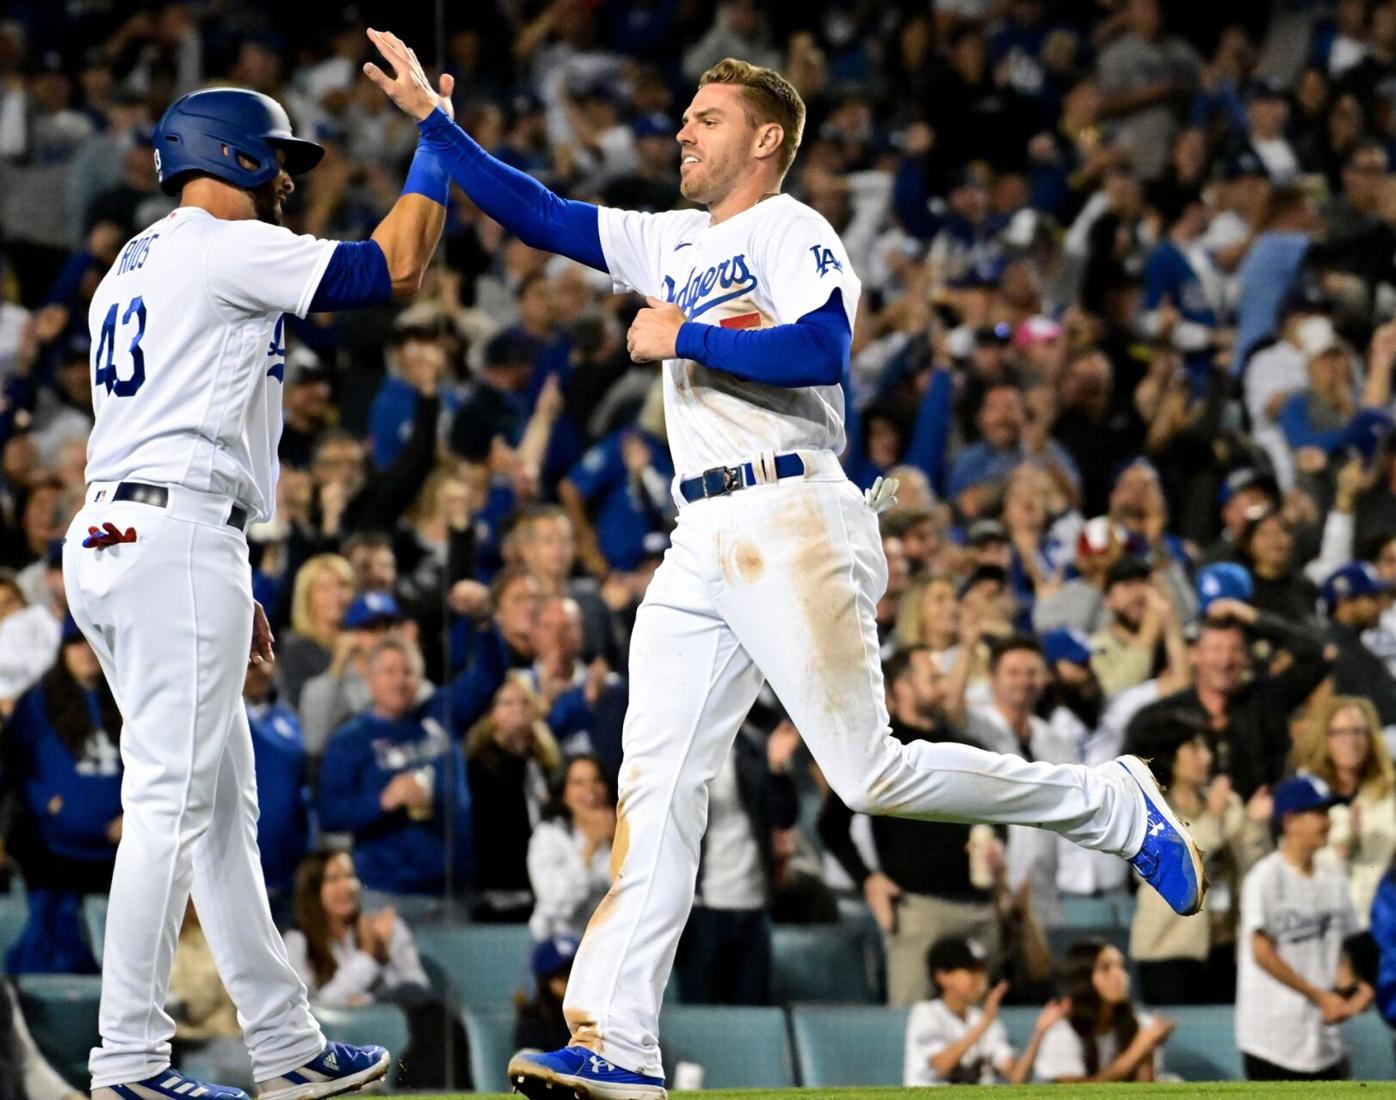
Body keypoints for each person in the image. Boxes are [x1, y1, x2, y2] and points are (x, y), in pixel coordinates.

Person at [367, 31, 1205, 1097]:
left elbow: (821, 348)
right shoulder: (670, 237)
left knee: (868, 772)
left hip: (792, 508)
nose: (681, 128)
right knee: (654, 781)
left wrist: (686, 338)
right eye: (685, 116)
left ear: (765, 139)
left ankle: (1111, 804)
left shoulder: (786, 223)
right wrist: (438, 131)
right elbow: (542, 213)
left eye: (705, 118)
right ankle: (616, 1040)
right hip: (698, 538)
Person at [66, 39, 454, 1093]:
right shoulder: (221, 247)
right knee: (170, 803)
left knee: (219, 807)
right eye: (276, 157)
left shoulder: (134, 264)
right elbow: (398, 266)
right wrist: (436, 138)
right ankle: (130, 1060)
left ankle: (286, 1049)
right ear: (230, 155)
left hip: (137, 531)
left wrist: (226, 579)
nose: (286, 178)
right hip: (173, 531)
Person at [282, 850, 470, 1089]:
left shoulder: (384, 927)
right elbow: (316, 1008)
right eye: (333, 879)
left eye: (350, 876)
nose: (346, 887)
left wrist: (382, 957)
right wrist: (369, 957)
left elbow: (415, 987)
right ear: (313, 890)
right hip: (336, 1042)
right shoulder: (298, 942)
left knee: (437, 1018)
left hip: (400, 1028)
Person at [2, 613, 122, 975]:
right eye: (76, 641)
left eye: (92, 641)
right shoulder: (38, 702)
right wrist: (47, 804)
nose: (85, 650)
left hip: (118, 856)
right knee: (55, 960)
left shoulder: (125, 698)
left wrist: (135, 814)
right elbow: (17, 765)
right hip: (54, 863)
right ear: (62, 649)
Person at [1126, 708, 1272, 1004]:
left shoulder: (1227, 804)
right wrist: (1214, 819)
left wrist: (1255, 825)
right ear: (1169, 755)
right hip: (1168, 948)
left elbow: (1254, 863)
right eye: (1194, 748)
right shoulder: (1147, 809)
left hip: (1225, 945)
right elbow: (1174, 861)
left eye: (1207, 747)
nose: (1206, 757)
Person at [318, 637, 475, 911]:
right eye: (390, 672)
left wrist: (482, 622)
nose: (399, 681)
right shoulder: (349, 739)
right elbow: (330, 814)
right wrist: (383, 801)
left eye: (408, 672)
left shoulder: (440, 718)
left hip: (452, 891)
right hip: (385, 893)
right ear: (370, 678)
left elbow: (487, 677)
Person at [1236, 775, 1374, 1081]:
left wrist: (1352, 989)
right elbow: (1262, 953)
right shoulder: (1265, 877)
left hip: (1324, 1040)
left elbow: (1339, 948)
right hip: (1272, 1040)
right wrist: (1319, 995)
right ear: (1290, 821)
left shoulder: (1332, 877)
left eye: (1326, 813)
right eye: (1318, 814)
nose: (1326, 822)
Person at [903, 936, 1066, 1087]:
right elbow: (941, 1066)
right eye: (971, 971)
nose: (980, 978)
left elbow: (1017, 1080)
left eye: (981, 970)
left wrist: (1039, 1034)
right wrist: (984, 1024)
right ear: (943, 976)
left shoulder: (983, 1019)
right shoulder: (926, 1013)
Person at [465, 676, 562, 921]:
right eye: (507, 703)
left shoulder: (546, 763)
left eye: (524, 702)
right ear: (491, 714)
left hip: (545, 886)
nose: (517, 709)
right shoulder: (478, 765)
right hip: (499, 892)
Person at [1297, 695, 1396, 932]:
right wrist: (1345, 845)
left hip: (1382, 920)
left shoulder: (1389, 791)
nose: (1351, 741)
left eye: (1358, 732)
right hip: (1323, 920)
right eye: (1340, 733)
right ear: (1325, 739)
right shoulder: (1305, 792)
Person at [1033, 939, 1174, 1083]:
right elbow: (1072, 1093)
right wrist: (1135, 1053)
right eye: (1105, 968)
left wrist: (1147, 1053)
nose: (1119, 975)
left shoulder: (1141, 1024)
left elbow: (1145, 1091)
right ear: (1083, 979)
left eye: (1121, 967)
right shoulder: (1062, 1029)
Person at [528, 755, 615, 941]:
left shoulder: (624, 834)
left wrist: (615, 839)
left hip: (610, 943)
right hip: (560, 946)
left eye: (597, 780)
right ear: (564, 792)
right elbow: (555, 902)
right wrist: (590, 847)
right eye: (578, 783)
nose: (590, 791)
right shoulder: (548, 836)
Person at [516, 934, 581, 1055]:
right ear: (545, 982)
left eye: (578, 972)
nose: (574, 981)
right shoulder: (534, 1021)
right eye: (564, 976)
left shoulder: (600, 1012)